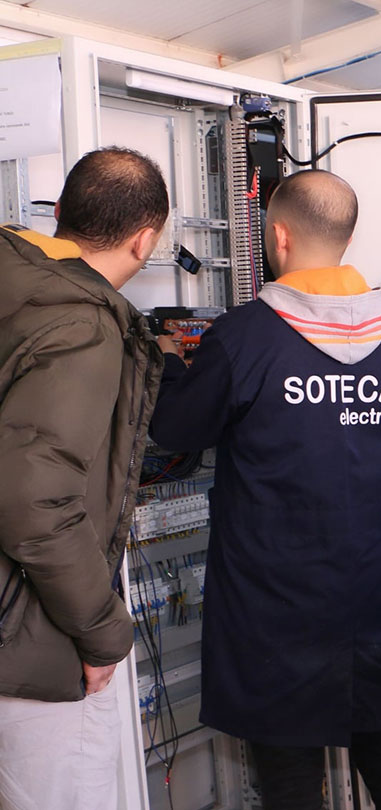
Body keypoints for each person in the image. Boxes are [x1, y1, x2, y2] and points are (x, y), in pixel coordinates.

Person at [150, 170, 381, 809]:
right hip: (373, 589)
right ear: (347, 237)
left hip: (277, 602)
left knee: (291, 778)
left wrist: (163, 361)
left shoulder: (245, 335)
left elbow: (177, 428)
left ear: (277, 236)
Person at [0, 147, 169, 808]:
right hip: (32, 645)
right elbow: (33, 499)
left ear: (61, 215)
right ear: (144, 240)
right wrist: (102, 631)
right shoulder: (84, 324)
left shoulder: (18, 288)